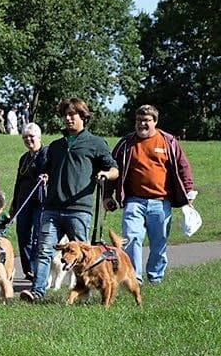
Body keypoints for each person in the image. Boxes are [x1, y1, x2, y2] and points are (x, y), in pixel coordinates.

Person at [19, 97, 118, 303]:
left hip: (79, 209)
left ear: (83, 116)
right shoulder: (56, 146)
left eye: (72, 114)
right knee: (44, 250)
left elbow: (114, 169)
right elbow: (45, 169)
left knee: (83, 255)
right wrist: (44, 175)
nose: (67, 118)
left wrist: (105, 175)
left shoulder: (96, 143)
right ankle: (37, 291)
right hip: (52, 207)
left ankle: (84, 292)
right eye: (64, 115)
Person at [105, 104, 196, 285]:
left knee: (159, 243)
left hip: (161, 202)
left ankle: (155, 277)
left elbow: (183, 167)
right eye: (138, 120)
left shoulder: (168, 141)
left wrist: (188, 192)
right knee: (131, 237)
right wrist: (107, 195)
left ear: (155, 121)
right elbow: (112, 169)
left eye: (146, 120)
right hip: (133, 201)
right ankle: (134, 278)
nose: (142, 124)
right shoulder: (126, 143)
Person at [10, 122, 48, 280]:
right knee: (22, 234)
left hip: (40, 201)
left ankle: (35, 268)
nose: (28, 140)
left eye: (31, 137)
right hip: (23, 201)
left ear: (38, 137)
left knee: (37, 236)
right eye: (25, 137)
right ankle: (28, 269)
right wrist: (14, 202)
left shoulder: (47, 153)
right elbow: (18, 181)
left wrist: (47, 177)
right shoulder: (24, 158)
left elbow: (51, 172)